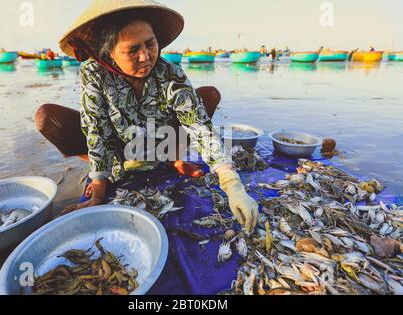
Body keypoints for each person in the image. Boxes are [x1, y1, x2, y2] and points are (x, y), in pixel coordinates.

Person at [35, 0, 259, 231]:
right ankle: (103, 167)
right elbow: (97, 129)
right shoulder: (93, 73)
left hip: (162, 141)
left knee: (207, 96)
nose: (145, 57)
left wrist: (232, 185)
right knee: (47, 117)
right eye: (132, 50)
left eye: (150, 44)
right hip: (120, 145)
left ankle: (174, 159)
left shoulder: (169, 72)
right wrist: (99, 190)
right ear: (108, 52)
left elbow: (198, 125)